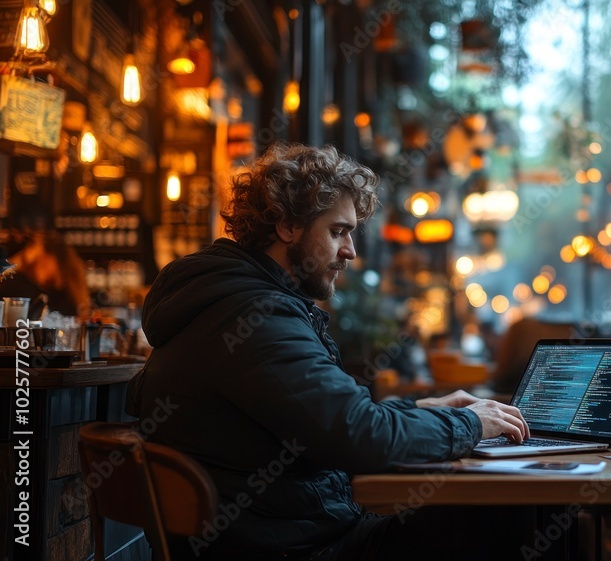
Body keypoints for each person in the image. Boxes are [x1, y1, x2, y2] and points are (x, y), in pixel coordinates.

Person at [127, 143, 533, 561]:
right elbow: (355, 435)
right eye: (337, 231)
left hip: (287, 535)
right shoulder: (255, 316)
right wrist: (467, 424)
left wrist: (426, 411)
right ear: (287, 226)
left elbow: (331, 417)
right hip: (306, 548)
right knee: (513, 510)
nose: (350, 251)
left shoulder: (230, 299)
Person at [0, 229, 90, 319]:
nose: (40, 265)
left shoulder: (68, 295)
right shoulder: (21, 283)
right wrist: (21, 259)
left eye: (43, 261)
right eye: (37, 260)